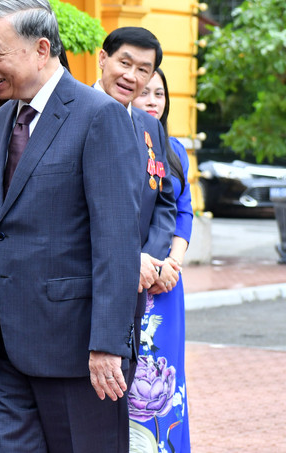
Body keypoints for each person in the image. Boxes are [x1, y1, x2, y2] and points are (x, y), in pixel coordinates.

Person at [0, 0, 143, 452]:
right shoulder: (2, 118)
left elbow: (117, 241)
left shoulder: (99, 116)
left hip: (76, 349)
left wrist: (107, 344)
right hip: (4, 344)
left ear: (41, 49)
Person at [93, 27, 177, 390]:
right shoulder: (72, 114)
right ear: (102, 59)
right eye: (124, 63)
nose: (132, 76)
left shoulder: (149, 126)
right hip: (88, 286)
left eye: (143, 69)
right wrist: (129, 259)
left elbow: (164, 200)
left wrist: (151, 259)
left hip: (140, 285)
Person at [129, 67, 192, 452]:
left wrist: (172, 264)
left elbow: (183, 212)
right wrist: (148, 264)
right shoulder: (115, 142)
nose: (153, 101)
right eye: (144, 92)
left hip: (167, 285)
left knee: (166, 376)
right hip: (129, 277)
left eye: (159, 93)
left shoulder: (175, 150)